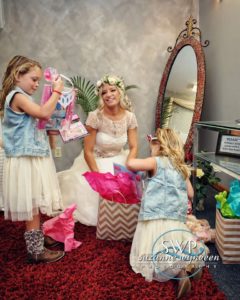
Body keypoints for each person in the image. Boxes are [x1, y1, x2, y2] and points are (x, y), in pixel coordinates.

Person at [127, 128, 207, 299]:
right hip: (174, 219)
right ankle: (187, 268)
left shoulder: (155, 161)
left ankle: (180, 275)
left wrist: (134, 149)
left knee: (154, 255)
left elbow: (130, 165)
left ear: (160, 145)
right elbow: (191, 194)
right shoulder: (180, 167)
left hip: (153, 217)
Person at [0, 55, 65, 263]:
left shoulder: (21, 96)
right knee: (31, 204)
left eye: (39, 80)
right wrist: (57, 91)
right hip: (24, 159)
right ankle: (35, 250)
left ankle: (37, 238)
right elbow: (43, 113)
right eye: (34, 79)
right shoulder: (17, 96)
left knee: (35, 200)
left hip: (32, 156)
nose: (37, 84)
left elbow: (37, 122)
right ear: (18, 75)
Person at [57, 74, 138, 226]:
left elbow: (133, 147)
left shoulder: (130, 117)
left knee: (127, 194)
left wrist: (129, 167)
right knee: (92, 199)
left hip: (120, 160)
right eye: (104, 92)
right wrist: (99, 177)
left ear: (120, 92)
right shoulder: (95, 117)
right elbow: (88, 151)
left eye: (112, 90)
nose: (108, 95)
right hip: (96, 162)